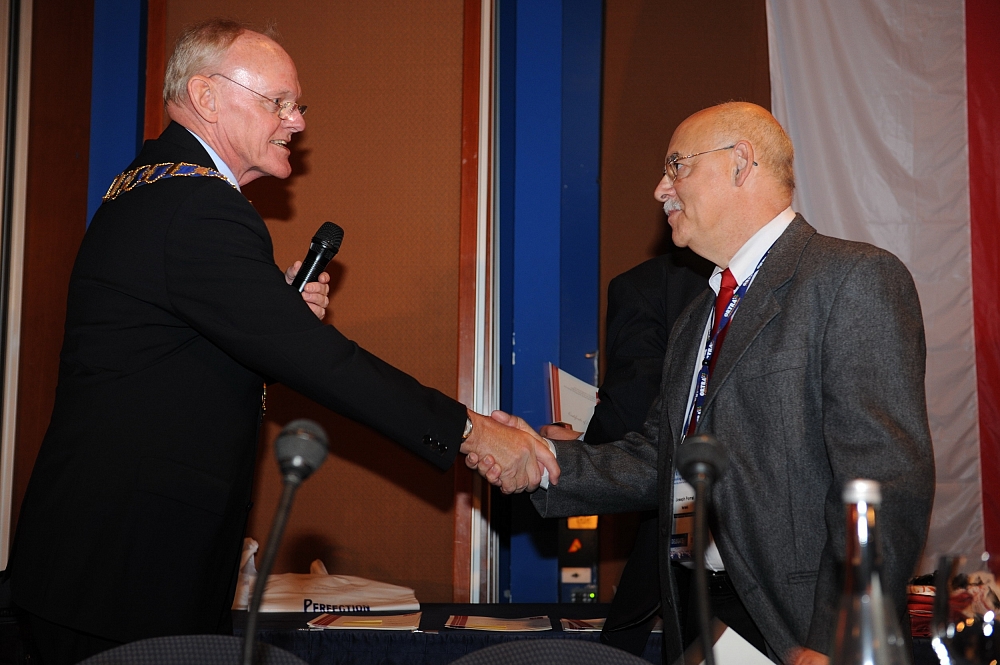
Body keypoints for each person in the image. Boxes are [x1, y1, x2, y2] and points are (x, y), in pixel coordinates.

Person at [9, 19, 556, 664]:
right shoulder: (197, 205)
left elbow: (170, 358)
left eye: (298, 106)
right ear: (207, 97)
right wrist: (471, 431)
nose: (296, 122)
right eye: (279, 102)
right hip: (123, 570)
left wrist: (275, 318)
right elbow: (322, 363)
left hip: (101, 561)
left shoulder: (152, 186)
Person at [483, 101, 935, 665]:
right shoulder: (699, 315)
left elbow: (883, 488)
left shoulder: (852, 280)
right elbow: (657, 458)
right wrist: (542, 460)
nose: (660, 190)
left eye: (677, 166)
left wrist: (836, 638)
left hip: (803, 628)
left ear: (741, 162)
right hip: (699, 616)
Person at [541, 252, 708, 655]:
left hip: (683, 547)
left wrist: (578, 446)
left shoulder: (648, 286)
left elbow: (634, 420)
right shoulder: (800, 276)